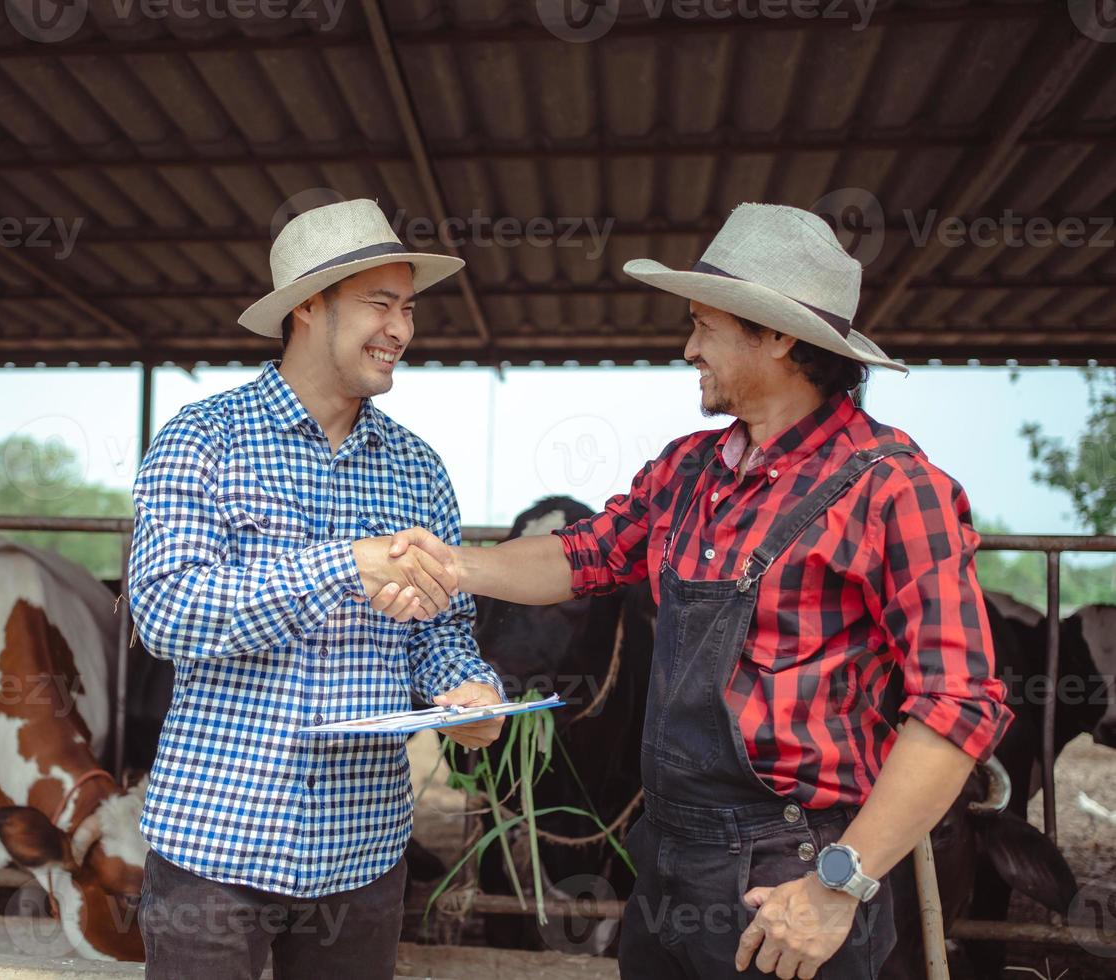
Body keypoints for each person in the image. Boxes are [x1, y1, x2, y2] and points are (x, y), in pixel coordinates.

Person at [391, 203, 1012, 979]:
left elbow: (958, 707)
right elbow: (582, 556)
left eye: (703, 326)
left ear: (778, 336)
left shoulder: (894, 488)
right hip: (668, 855)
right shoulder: (689, 469)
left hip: (793, 867)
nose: (688, 349)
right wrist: (451, 564)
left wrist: (839, 885)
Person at [128, 198, 503, 979]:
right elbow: (165, 614)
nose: (401, 329)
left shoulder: (419, 468)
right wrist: (344, 565)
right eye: (378, 304)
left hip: (362, 852)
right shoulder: (202, 440)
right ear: (307, 307)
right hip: (216, 844)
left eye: (407, 307)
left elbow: (443, 627)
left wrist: (466, 690)